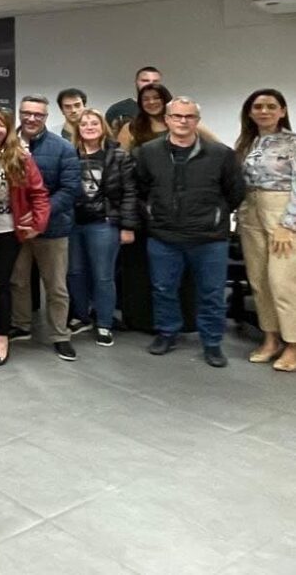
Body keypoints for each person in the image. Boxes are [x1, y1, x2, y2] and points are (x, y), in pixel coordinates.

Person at [133, 97, 245, 368]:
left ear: (197, 121)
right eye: (177, 116)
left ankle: (212, 342)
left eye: (189, 116)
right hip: (163, 237)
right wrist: (154, 215)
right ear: (167, 119)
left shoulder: (221, 154)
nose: (183, 121)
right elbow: (140, 189)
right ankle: (167, 333)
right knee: (163, 289)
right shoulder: (147, 152)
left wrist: (214, 216)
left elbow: (235, 192)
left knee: (212, 293)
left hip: (209, 239)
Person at [10, 95, 81, 362]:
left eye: (38, 114)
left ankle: (60, 335)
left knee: (56, 286)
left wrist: (40, 214)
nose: (31, 118)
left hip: (53, 229)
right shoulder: (8, 144)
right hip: (16, 228)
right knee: (17, 280)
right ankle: (21, 325)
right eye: (26, 113)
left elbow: (70, 189)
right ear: (19, 113)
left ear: (46, 117)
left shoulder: (63, 147)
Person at [0, 108, 48, 366]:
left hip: (6, 231)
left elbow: (39, 193)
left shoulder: (19, 157)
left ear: (8, 129)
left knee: (0, 284)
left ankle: (1, 337)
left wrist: (38, 223)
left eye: (0, 124)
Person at [235, 89, 296, 371]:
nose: (264, 111)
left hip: (281, 210)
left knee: (283, 282)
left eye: (271, 106)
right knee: (259, 280)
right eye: (258, 107)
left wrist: (288, 224)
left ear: (282, 111)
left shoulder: (292, 142)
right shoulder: (248, 143)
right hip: (251, 210)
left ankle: (292, 344)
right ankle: (271, 339)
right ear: (250, 113)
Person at [69, 108, 139, 347]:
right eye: (84, 123)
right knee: (75, 273)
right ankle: (82, 316)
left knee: (103, 275)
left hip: (104, 223)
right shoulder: (70, 154)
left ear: (103, 127)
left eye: (94, 123)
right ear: (78, 128)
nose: (89, 127)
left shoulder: (118, 155)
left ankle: (104, 323)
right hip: (74, 224)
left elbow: (130, 192)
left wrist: (127, 226)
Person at [106, 66, 163, 134]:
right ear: (136, 82)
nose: (150, 84)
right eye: (145, 81)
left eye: (155, 81)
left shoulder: (168, 108)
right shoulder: (118, 109)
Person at [117, 83, 172, 151]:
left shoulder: (178, 125)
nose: (151, 102)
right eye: (146, 99)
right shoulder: (130, 128)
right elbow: (119, 155)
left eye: (156, 98)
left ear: (166, 100)